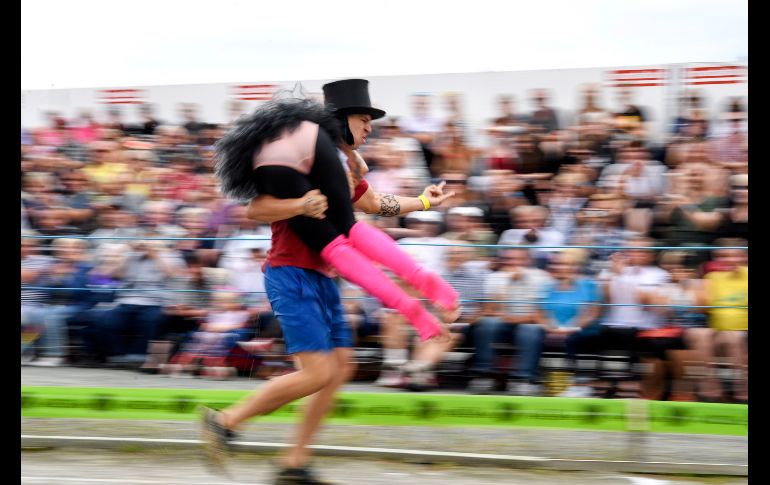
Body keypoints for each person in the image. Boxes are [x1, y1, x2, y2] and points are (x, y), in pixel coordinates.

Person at [201, 79, 458, 483]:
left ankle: (294, 461)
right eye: (363, 118)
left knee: (340, 369)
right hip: (291, 274)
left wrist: (424, 201)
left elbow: (374, 204)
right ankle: (225, 421)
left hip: (324, 276)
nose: (370, 127)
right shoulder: (303, 154)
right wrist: (299, 204)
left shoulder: (341, 164)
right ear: (341, 119)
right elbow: (256, 209)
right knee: (318, 373)